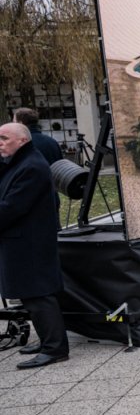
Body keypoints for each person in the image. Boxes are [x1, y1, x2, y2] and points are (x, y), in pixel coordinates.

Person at [0, 123, 68, 369]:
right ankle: (47, 342)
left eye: (4, 138)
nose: (0, 142)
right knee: (32, 296)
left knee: (39, 295)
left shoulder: (31, 167)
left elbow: (12, 208)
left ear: (22, 141)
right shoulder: (20, 162)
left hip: (29, 243)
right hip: (23, 240)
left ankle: (55, 348)